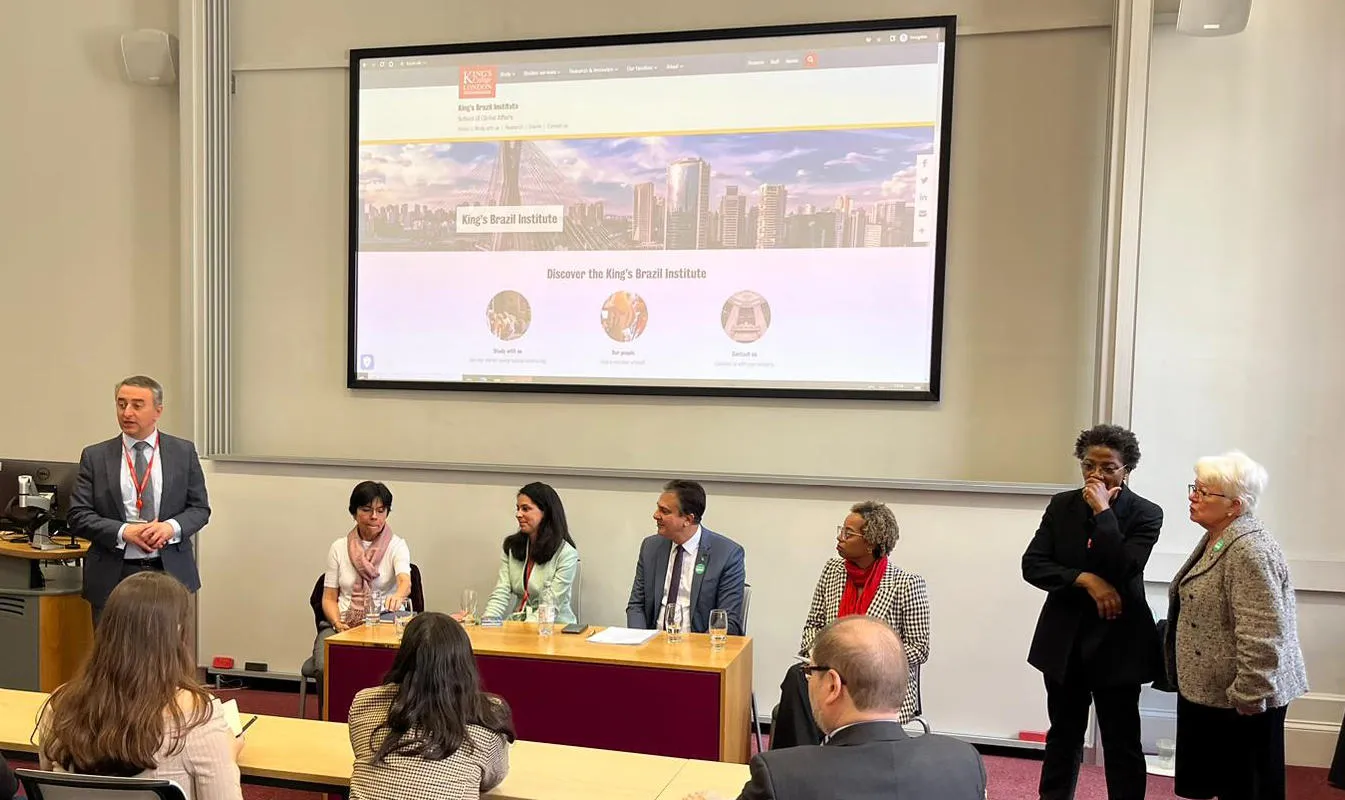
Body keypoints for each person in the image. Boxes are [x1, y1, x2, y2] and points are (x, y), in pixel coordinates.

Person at [1022, 424, 1163, 800]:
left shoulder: (1147, 514)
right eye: (1088, 466)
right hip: (1064, 641)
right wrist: (1085, 578)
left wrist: (1103, 512)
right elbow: (1033, 565)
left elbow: (1123, 568)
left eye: (1108, 467)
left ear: (1127, 469)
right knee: (1063, 735)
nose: (1096, 475)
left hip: (1119, 641)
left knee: (1122, 741)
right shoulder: (1061, 505)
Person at [698, 616, 983, 800]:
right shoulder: (965, 761)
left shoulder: (780, 776)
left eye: (811, 673)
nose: (807, 681)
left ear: (832, 686)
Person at [1166, 451, 1307, 800]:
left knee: (1246, 788)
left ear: (1235, 505)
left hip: (1242, 701)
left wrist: (1249, 695)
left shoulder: (1250, 550)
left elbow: (1264, 632)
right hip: (1216, 694)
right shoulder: (1221, 536)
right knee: (1224, 785)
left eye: (1203, 491)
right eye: (1194, 487)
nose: (1192, 496)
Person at [36, 572, 244, 800]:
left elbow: (50, 784)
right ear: (176, 633)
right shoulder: (198, 717)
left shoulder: (60, 705)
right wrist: (228, 753)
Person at [771, 501, 931, 749]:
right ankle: (799, 764)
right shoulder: (832, 571)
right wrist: (814, 654)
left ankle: (798, 763)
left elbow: (919, 648)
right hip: (827, 672)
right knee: (797, 676)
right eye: (841, 530)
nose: (840, 537)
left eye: (848, 533)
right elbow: (813, 624)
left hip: (875, 683)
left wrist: (867, 659)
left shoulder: (906, 584)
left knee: (800, 700)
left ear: (871, 542)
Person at [68, 376, 211, 626]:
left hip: (169, 571)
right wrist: (124, 532)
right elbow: (78, 515)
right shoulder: (96, 456)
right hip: (113, 573)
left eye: (137, 405)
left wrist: (170, 528)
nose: (127, 412)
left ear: (158, 411)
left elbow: (199, 509)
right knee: (113, 656)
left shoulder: (183, 452)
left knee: (165, 657)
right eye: (121, 404)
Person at [347, 612, 514, 800]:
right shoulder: (486, 719)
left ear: (403, 656)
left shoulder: (364, 702)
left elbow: (362, 752)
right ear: (464, 662)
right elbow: (492, 778)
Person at [626, 479, 746, 635]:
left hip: (699, 650)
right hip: (652, 647)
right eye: (658, 508)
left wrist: (695, 650)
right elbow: (636, 605)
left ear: (687, 520)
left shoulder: (727, 554)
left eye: (665, 511)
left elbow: (727, 620)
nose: (656, 515)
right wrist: (640, 641)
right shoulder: (651, 547)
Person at [313, 481, 411, 671]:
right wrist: (337, 623)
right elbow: (329, 598)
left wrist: (399, 595)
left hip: (384, 622)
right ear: (354, 513)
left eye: (381, 510)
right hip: (343, 623)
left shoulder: (397, 545)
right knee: (324, 666)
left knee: (390, 666)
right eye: (367, 510)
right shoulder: (339, 548)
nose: (374, 517)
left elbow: (404, 581)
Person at [482, 482, 579, 624]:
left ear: (545, 513)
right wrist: (487, 623)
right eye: (518, 508)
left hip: (554, 630)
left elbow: (550, 606)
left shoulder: (567, 554)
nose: (518, 514)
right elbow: (501, 593)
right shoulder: (511, 547)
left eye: (525, 509)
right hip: (518, 627)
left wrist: (521, 631)